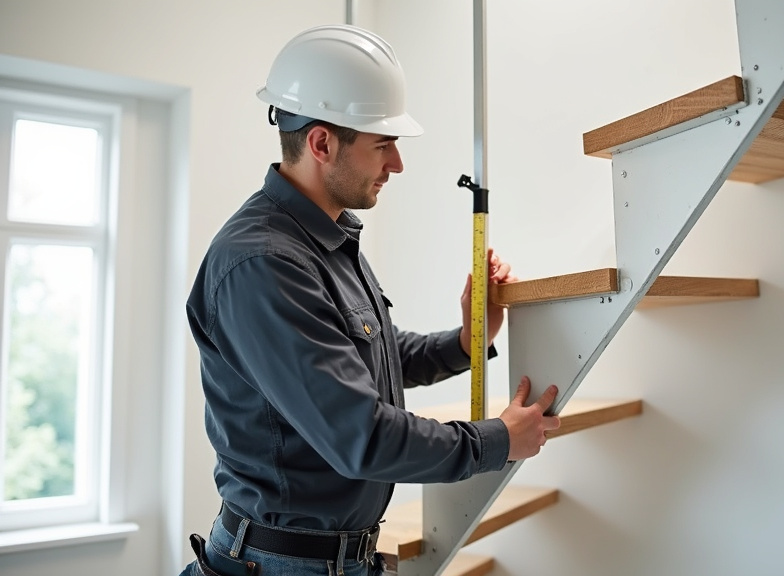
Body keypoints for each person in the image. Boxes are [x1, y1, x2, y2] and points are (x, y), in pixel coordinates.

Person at [178, 24, 560, 576]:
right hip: (281, 566)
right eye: (383, 145)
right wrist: (496, 441)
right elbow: (363, 436)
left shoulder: (327, 236)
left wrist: (466, 340)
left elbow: (371, 356)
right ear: (321, 143)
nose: (397, 164)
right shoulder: (263, 262)